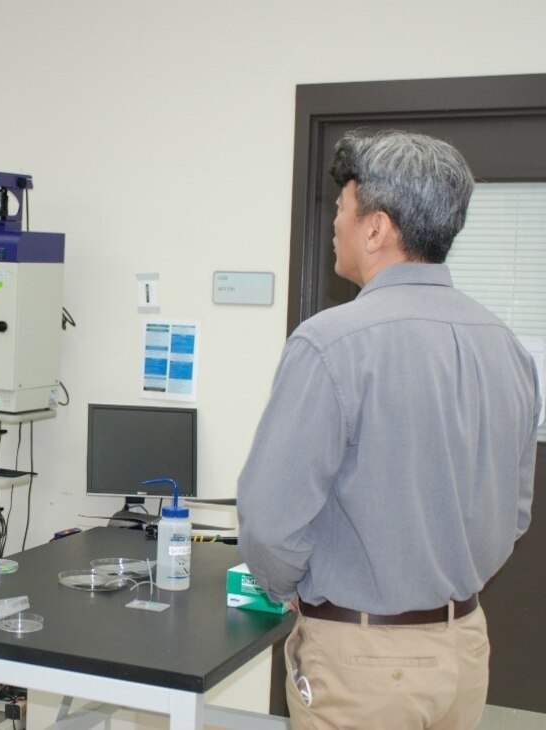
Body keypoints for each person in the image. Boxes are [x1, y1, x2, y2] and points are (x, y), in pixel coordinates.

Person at [237, 129, 540, 729]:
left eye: (344, 209)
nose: (335, 224)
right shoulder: (508, 349)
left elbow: (270, 520)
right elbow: (516, 515)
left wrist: (287, 588)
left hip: (363, 663)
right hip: (464, 652)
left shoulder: (330, 344)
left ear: (376, 229)